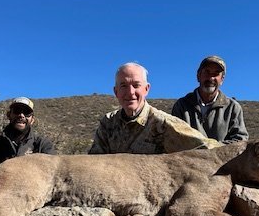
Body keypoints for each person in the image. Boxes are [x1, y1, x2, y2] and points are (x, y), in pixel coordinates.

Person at [89, 62, 218, 154]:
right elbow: (94, 160)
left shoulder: (163, 124)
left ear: (146, 89)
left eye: (136, 85)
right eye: (123, 86)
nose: (130, 92)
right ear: (116, 91)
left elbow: (207, 147)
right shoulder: (108, 123)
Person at [0, 97, 56, 189]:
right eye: (17, 111)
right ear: (9, 115)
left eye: (26, 113)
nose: (21, 115)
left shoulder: (43, 145)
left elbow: (53, 179)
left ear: (32, 120)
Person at [171, 55, 248, 143]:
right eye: (207, 72)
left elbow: (240, 141)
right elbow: (174, 139)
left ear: (222, 79)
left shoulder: (232, 108)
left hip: (222, 157)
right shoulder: (182, 106)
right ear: (198, 76)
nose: (211, 78)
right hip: (188, 156)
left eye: (216, 73)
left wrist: (212, 150)